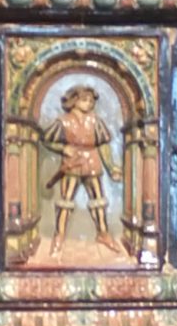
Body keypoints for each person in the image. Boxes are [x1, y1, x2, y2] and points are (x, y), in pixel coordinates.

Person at [45, 84, 122, 254]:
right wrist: (63, 148)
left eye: (91, 101)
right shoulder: (63, 121)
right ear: (74, 101)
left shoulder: (95, 121)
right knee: (66, 200)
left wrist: (111, 167)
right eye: (85, 100)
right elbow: (47, 139)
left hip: (92, 162)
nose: (89, 104)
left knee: (98, 199)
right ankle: (59, 235)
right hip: (72, 163)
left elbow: (103, 145)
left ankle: (103, 233)